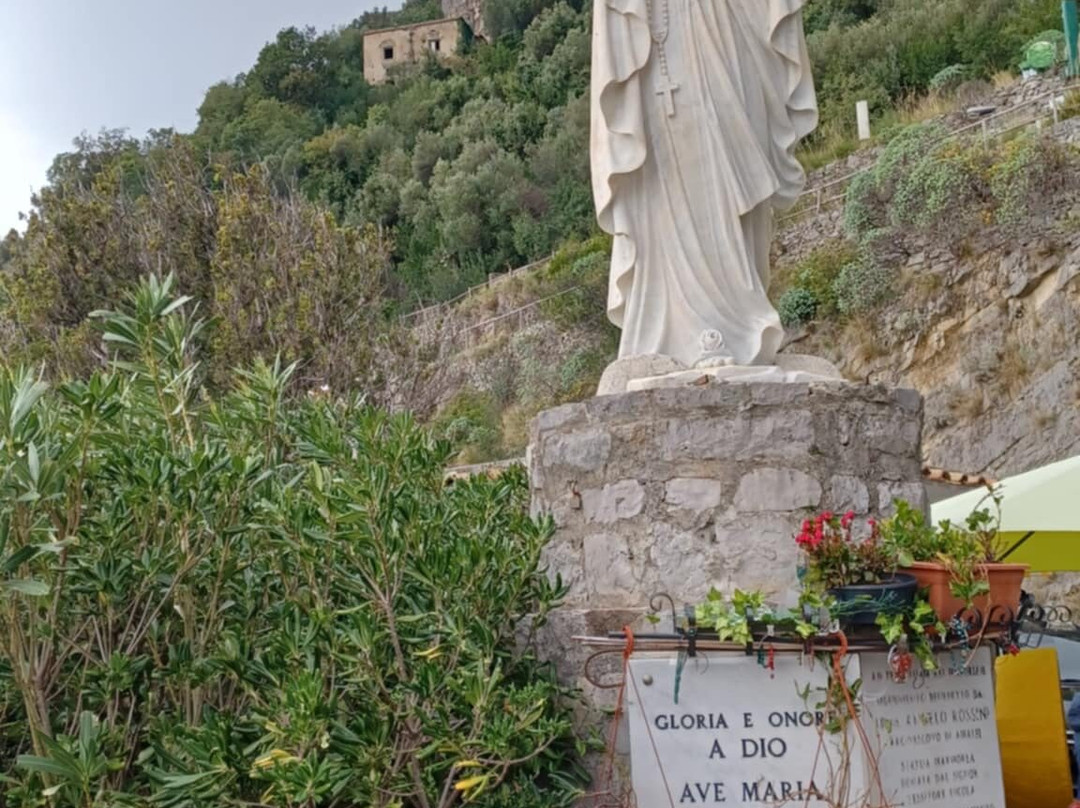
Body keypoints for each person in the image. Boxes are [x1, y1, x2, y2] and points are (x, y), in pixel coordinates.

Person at [590, 0, 817, 369]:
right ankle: (683, 332)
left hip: (726, 29)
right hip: (656, 40)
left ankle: (743, 321)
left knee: (738, 160)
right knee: (668, 182)